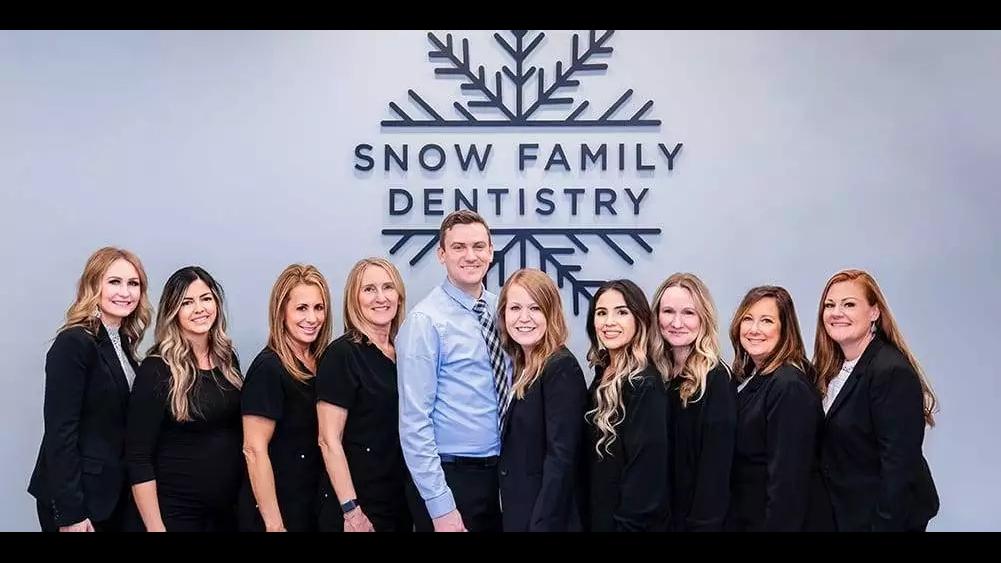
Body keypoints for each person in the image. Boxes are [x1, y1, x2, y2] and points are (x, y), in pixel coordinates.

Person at [397, 210, 512, 532]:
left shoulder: (504, 311)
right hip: (452, 479)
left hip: (501, 477)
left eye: (478, 246)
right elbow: (414, 423)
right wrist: (440, 506)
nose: (470, 256)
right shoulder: (425, 322)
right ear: (441, 254)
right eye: (459, 247)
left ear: (491, 251)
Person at [29, 247, 152, 532]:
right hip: (79, 501)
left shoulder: (123, 343)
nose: (125, 292)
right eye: (114, 282)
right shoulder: (74, 343)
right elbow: (60, 433)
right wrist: (71, 513)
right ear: (93, 285)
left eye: (133, 283)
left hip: (113, 496)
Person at [812, 269, 939, 531]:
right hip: (845, 515)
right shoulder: (830, 370)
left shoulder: (890, 371)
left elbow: (899, 468)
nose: (836, 312)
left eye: (849, 304)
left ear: (874, 312)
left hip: (881, 520)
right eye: (829, 305)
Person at [126, 266, 244, 532]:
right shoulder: (156, 369)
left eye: (206, 298)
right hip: (176, 515)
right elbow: (138, 457)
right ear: (173, 311)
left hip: (225, 514)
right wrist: (156, 528)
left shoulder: (227, 360)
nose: (199, 309)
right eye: (187, 302)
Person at [316, 258, 413, 532]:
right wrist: (351, 511)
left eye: (388, 287)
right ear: (354, 298)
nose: (381, 297)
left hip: (397, 501)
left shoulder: (404, 352)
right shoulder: (342, 354)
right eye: (369, 289)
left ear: (399, 295)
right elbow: (328, 440)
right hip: (359, 509)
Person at [239, 264, 332, 532]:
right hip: (277, 512)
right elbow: (254, 450)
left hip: (311, 504)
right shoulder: (268, 368)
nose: (312, 318)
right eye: (301, 308)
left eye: (318, 307)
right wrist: (275, 525)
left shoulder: (322, 362)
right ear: (281, 312)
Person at [725, 285, 823, 532]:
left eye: (766, 321)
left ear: (784, 329)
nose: (754, 329)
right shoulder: (750, 377)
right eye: (748, 319)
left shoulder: (789, 386)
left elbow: (788, 483)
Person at [496, 268, 586, 532]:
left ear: (551, 313)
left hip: (545, 521)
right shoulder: (520, 366)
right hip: (519, 513)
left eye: (535, 308)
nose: (524, 318)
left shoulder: (560, 367)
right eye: (515, 308)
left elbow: (562, 459)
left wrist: (542, 524)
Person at [648, 272, 736, 531]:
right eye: (668, 311)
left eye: (688, 313)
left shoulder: (716, 379)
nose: (677, 323)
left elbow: (715, 470)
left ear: (703, 318)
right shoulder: (654, 375)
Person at [581, 279, 670, 532]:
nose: (609, 322)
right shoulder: (603, 373)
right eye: (601, 313)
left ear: (639, 319)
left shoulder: (644, 385)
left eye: (621, 312)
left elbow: (645, 478)